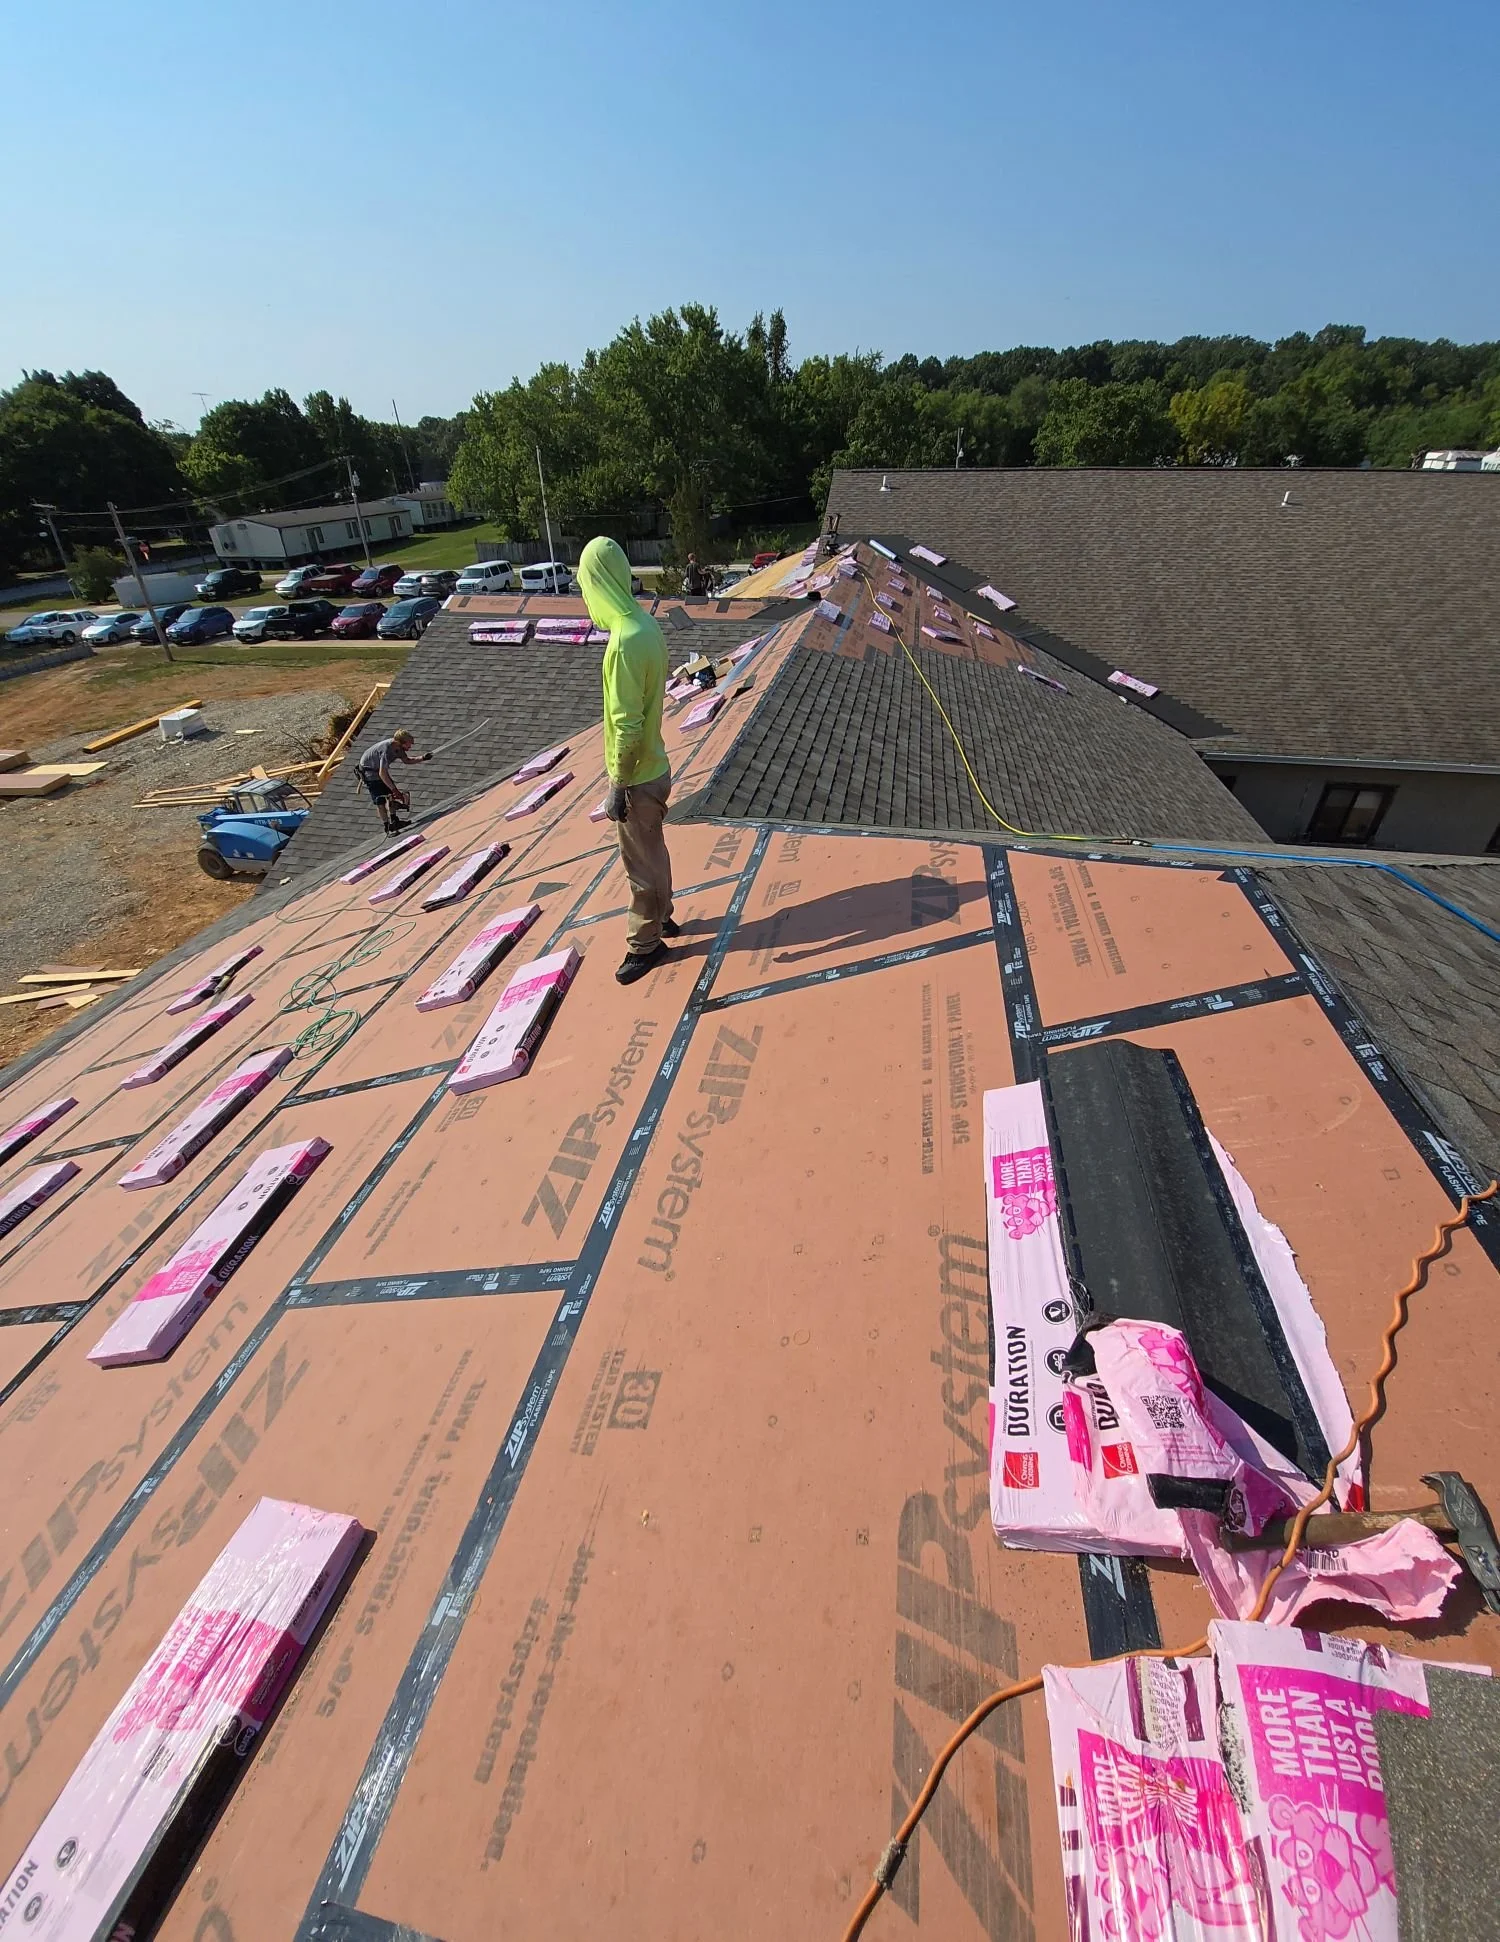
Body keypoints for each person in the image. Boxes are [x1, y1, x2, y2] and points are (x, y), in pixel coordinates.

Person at [578, 535, 679, 984]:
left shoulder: (623, 642)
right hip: (656, 768)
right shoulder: (645, 624)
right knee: (654, 852)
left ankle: (646, 943)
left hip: (637, 777)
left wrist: (617, 784)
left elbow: (628, 725)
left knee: (640, 866)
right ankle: (665, 916)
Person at [357, 727, 430, 834]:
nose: (410, 747)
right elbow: (382, 773)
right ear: (400, 742)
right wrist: (395, 789)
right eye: (408, 744)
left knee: (390, 795)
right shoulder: (386, 750)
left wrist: (423, 757)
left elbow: (407, 760)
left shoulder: (399, 749)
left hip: (379, 771)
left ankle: (394, 820)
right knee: (380, 800)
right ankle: (387, 826)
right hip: (370, 773)